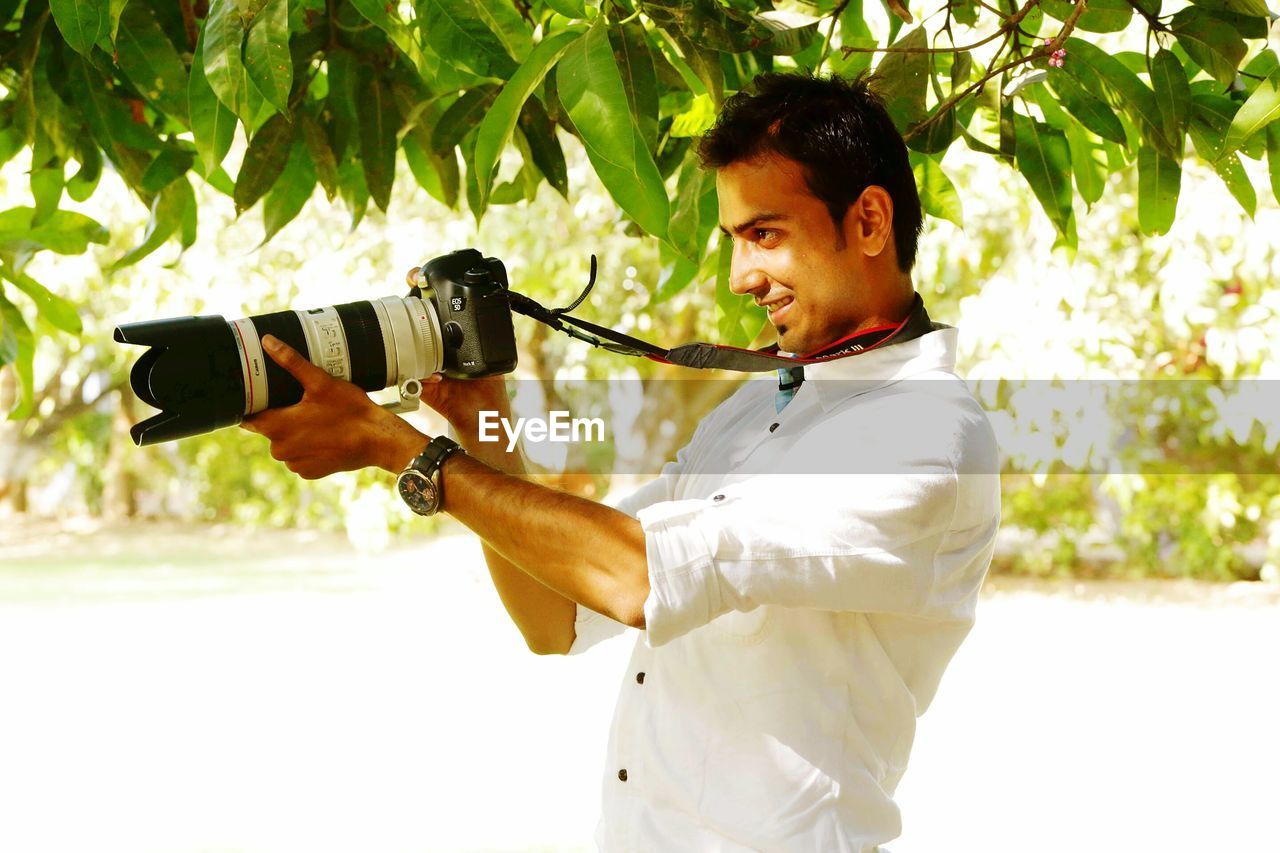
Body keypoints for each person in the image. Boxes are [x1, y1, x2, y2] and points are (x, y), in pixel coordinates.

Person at [241, 72, 1000, 851]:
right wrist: (483, 425)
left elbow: (639, 578)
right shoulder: (757, 408)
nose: (742, 277)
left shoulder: (926, 435)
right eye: (735, 240)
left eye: (764, 234)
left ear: (869, 219)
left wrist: (396, 449)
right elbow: (556, 617)